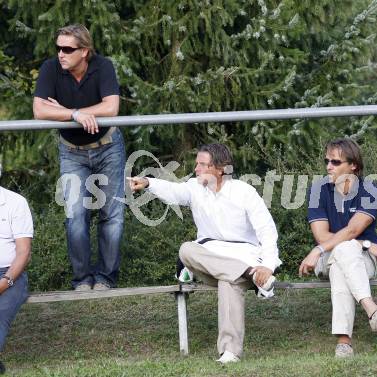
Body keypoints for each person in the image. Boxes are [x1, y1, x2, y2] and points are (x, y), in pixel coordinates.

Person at [128, 143, 281, 364]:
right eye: (197, 163)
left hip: (244, 257)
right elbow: (173, 192)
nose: (196, 168)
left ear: (220, 169)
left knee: (228, 281)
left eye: (202, 164)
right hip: (215, 262)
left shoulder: (244, 191)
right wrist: (148, 182)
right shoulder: (194, 187)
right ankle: (249, 274)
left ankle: (230, 352)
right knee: (186, 249)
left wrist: (267, 266)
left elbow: (266, 230)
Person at [33, 24, 125, 291]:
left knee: (112, 214)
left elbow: (112, 107)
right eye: (58, 47)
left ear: (84, 51)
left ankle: (106, 279)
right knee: (75, 214)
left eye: (68, 49)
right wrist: (74, 114)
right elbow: (40, 110)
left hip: (108, 147)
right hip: (71, 151)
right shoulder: (51, 69)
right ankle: (82, 280)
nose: (61, 53)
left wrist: (64, 110)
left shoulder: (103, 66)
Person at [299, 138, 377, 358]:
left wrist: (322, 248)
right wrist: (364, 243)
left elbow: (354, 229)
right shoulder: (318, 190)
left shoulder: (370, 190)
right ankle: (373, 311)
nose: (328, 166)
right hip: (329, 256)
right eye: (327, 161)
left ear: (353, 165)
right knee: (344, 252)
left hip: (361, 260)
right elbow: (321, 235)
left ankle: (344, 344)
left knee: (342, 262)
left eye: (335, 162)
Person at [0, 167, 33, 375]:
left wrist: (5, 281)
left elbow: (23, 253)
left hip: (11, 274)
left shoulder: (15, 202)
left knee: (0, 312)